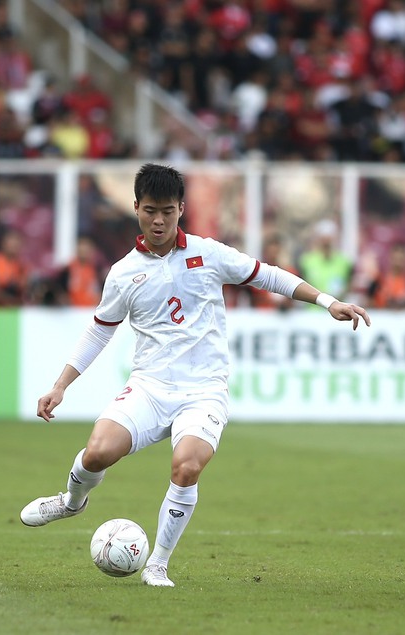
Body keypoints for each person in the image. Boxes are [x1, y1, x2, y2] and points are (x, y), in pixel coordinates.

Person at [19, 164, 371, 588]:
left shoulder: (209, 253)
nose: (159, 220)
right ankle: (72, 502)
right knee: (96, 452)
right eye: (150, 210)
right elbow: (99, 330)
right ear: (135, 208)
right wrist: (60, 385)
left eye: (168, 211)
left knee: (186, 467)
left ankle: (158, 564)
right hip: (149, 386)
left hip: (204, 390)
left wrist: (326, 301)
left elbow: (268, 275)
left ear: (181, 209)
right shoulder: (123, 273)